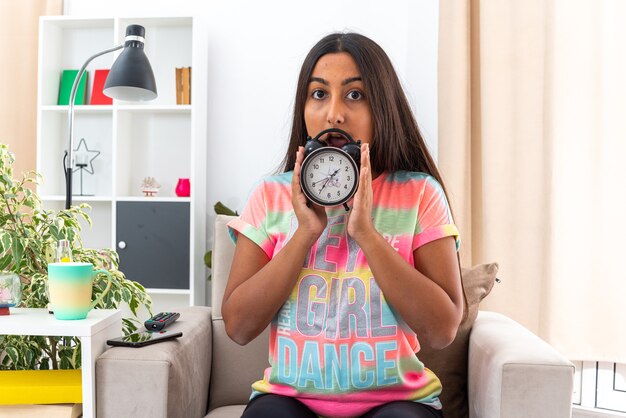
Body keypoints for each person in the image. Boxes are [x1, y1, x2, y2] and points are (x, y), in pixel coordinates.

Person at [223, 32, 464, 418]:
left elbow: (442, 330)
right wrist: (304, 233)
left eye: (355, 95)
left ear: (382, 107)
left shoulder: (419, 193)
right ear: (304, 108)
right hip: (289, 400)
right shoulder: (269, 195)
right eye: (319, 94)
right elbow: (238, 327)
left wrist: (366, 232)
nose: (334, 113)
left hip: (397, 403)